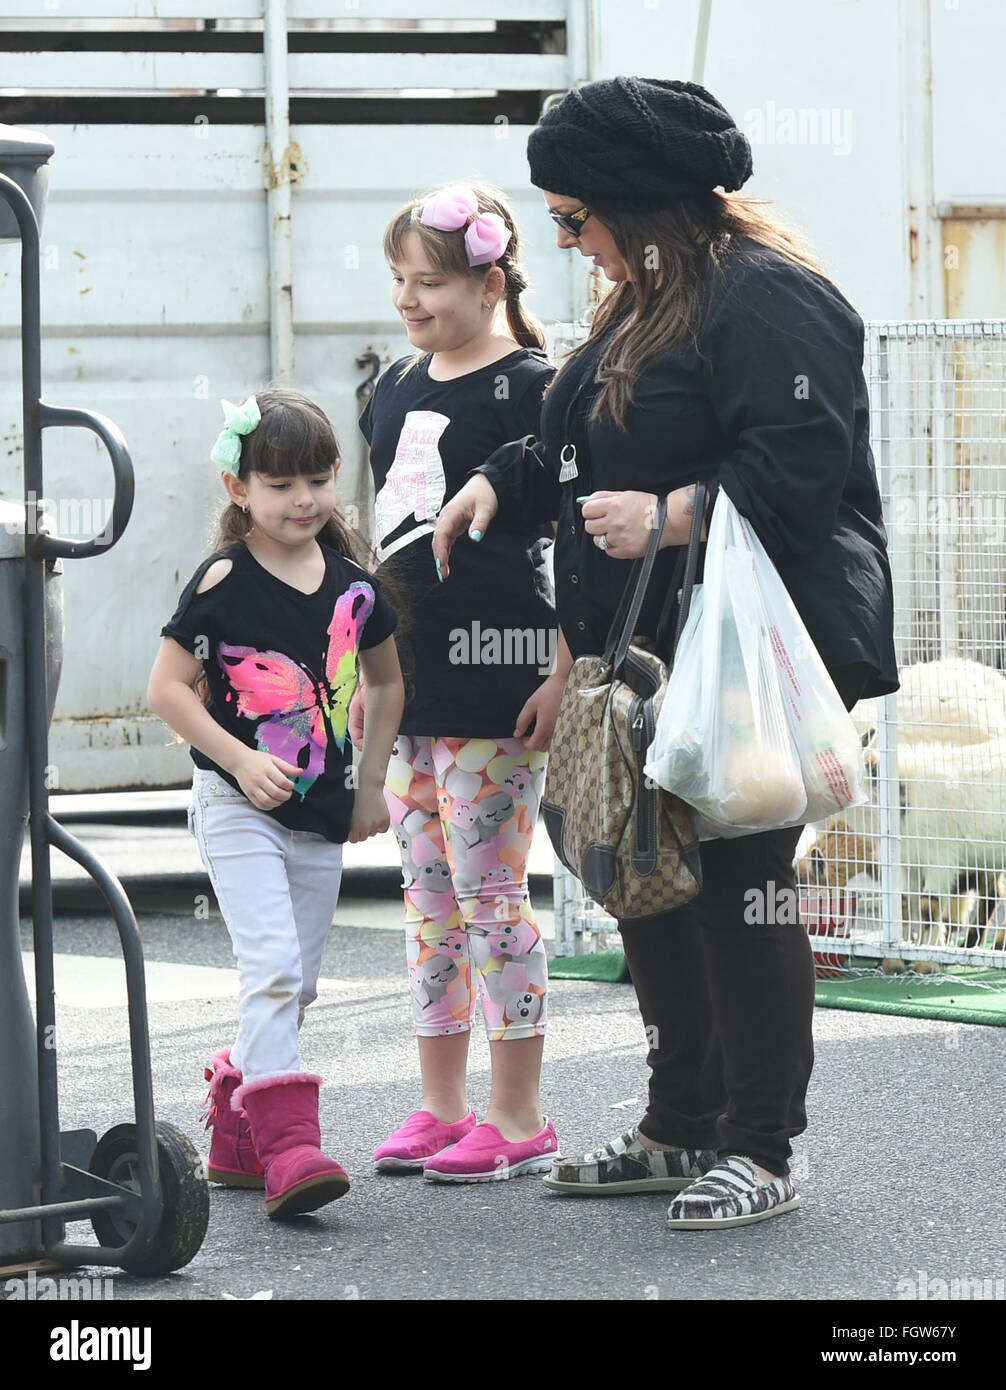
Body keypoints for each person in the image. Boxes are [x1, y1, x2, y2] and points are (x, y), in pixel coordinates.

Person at [433, 79, 899, 1228]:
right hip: (646, 655)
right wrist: (504, 478)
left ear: (635, 203)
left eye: (571, 215)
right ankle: (678, 1123)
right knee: (648, 878)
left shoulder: (770, 298)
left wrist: (673, 512)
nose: (566, 240)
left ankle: (760, 1145)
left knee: (738, 885)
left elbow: (801, 458)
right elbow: (574, 443)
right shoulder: (640, 299)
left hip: (749, 652)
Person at [351, 183, 565, 1182]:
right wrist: (362, 671)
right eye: (397, 278)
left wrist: (564, 667)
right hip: (409, 691)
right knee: (427, 902)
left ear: (488, 281)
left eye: (427, 280)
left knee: (491, 900)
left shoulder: (537, 387)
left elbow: (579, 548)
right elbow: (375, 543)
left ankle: (516, 1115)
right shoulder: (392, 385)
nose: (407, 298)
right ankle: (439, 1105)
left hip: (499, 686)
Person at [148, 388, 403, 1219]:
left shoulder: (356, 588)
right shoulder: (223, 579)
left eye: (318, 481)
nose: (303, 501)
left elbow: (388, 680)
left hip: (322, 814)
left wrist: (370, 787)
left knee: (299, 989)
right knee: (273, 970)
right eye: (280, 483)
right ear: (239, 490)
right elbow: (167, 689)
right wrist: (237, 758)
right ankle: (290, 1150)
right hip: (235, 804)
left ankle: (233, 1116)